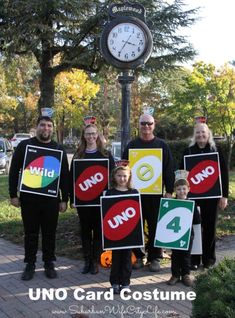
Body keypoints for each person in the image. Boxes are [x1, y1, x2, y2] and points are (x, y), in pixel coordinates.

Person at [9, 116, 69, 280]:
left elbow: (64, 176)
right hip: (29, 200)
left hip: (51, 200)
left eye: (49, 125)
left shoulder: (59, 149)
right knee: (30, 233)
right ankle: (30, 264)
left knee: (50, 233)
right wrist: (13, 195)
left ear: (52, 129)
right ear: (37, 127)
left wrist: (65, 199)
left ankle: (49, 263)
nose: (46, 128)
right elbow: (14, 171)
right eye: (42, 125)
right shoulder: (24, 146)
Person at [123, 113, 175, 272]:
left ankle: (155, 257)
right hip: (135, 194)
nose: (146, 126)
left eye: (149, 123)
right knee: (135, 225)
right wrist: (124, 189)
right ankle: (138, 256)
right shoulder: (132, 145)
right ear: (138, 125)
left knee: (155, 225)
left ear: (154, 125)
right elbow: (123, 169)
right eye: (143, 123)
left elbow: (168, 168)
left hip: (155, 194)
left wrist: (169, 190)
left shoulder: (162, 145)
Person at [181, 120, 229, 269]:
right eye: (198, 132)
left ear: (208, 134)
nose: (201, 135)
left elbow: (224, 174)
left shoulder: (216, 150)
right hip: (193, 197)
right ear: (194, 136)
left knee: (209, 228)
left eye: (203, 132)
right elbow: (182, 174)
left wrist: (224, 195)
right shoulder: (187, 151)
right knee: (194, 227)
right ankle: (194, 260)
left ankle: (209, 259)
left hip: (212, 196)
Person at [70, 122, 115, 275]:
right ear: (83, 136)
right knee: (84, 231)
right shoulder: (78, 154)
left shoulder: (106, 154)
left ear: (98, 135)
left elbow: (113, 177)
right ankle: (87, 261)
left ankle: (96, 261)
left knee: (98, 231)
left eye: (93, 133)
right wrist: (72, 199)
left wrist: (111, 198)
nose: (91, 136)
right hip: (83, 202)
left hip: (101, 202)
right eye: (88, 134)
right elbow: (72, 179)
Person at [104, 163, 139, 294]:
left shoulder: (134, 193)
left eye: (124, 176)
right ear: (114, 176)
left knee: (127, 258)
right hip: (115, 232)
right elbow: (106, 214)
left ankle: (125, 283)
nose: (122, 178)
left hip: (129, 233)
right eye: (119, 175)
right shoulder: (109, 193)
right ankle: (114, 283)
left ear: (129, 177)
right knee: (116, 258)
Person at [167, 170, 201, 287]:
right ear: (175, 190)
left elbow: (197, 221)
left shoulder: (192, 203)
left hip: (187, 234)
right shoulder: (171, 203)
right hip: (175, 234)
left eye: (183, 188)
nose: (181, 191)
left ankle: (186, 275)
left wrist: (191, 212)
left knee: (186, 255)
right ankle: (175, 275)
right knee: (175, 255)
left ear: (188, 189)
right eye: (179, 189)